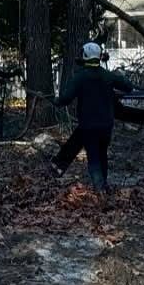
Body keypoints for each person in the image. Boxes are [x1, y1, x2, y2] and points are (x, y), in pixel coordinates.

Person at [53, 40, 127, 193]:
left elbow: (65, 98)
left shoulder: (80, 77)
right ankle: (104, 185)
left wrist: (55, 101)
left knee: (93, 157)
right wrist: (119, 76)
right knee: (102, 154)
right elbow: (128, 86)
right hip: (106, 125)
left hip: (88, 125)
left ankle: (100, 189)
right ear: (99, 57)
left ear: (84, 56)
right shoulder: (108, 76)